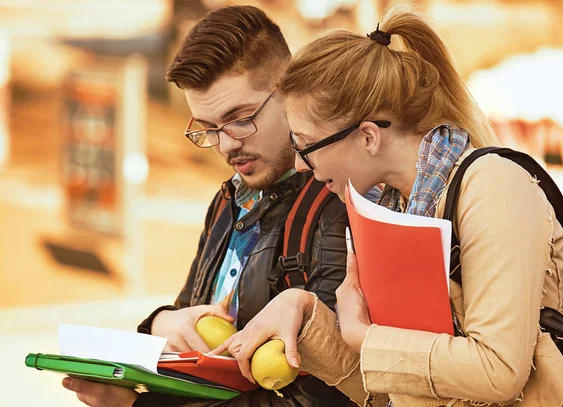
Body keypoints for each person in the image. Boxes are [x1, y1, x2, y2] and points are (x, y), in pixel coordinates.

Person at [213, 6, 563, 407]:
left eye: (305, 145)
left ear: (369, 137)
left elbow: (499, 373)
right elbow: (392, 391)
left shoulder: (493, 185)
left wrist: (369, 340)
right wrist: (304, 313)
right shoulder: (389, 209)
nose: (301, 164)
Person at [61, 5, 358, 407]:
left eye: (239, 118)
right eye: (208, 127)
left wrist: (135, 405)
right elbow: (191, 323)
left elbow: (324, 398)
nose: (226, 144)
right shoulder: (229, 199)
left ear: (288, 91)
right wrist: (159, 324)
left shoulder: (338, 206)